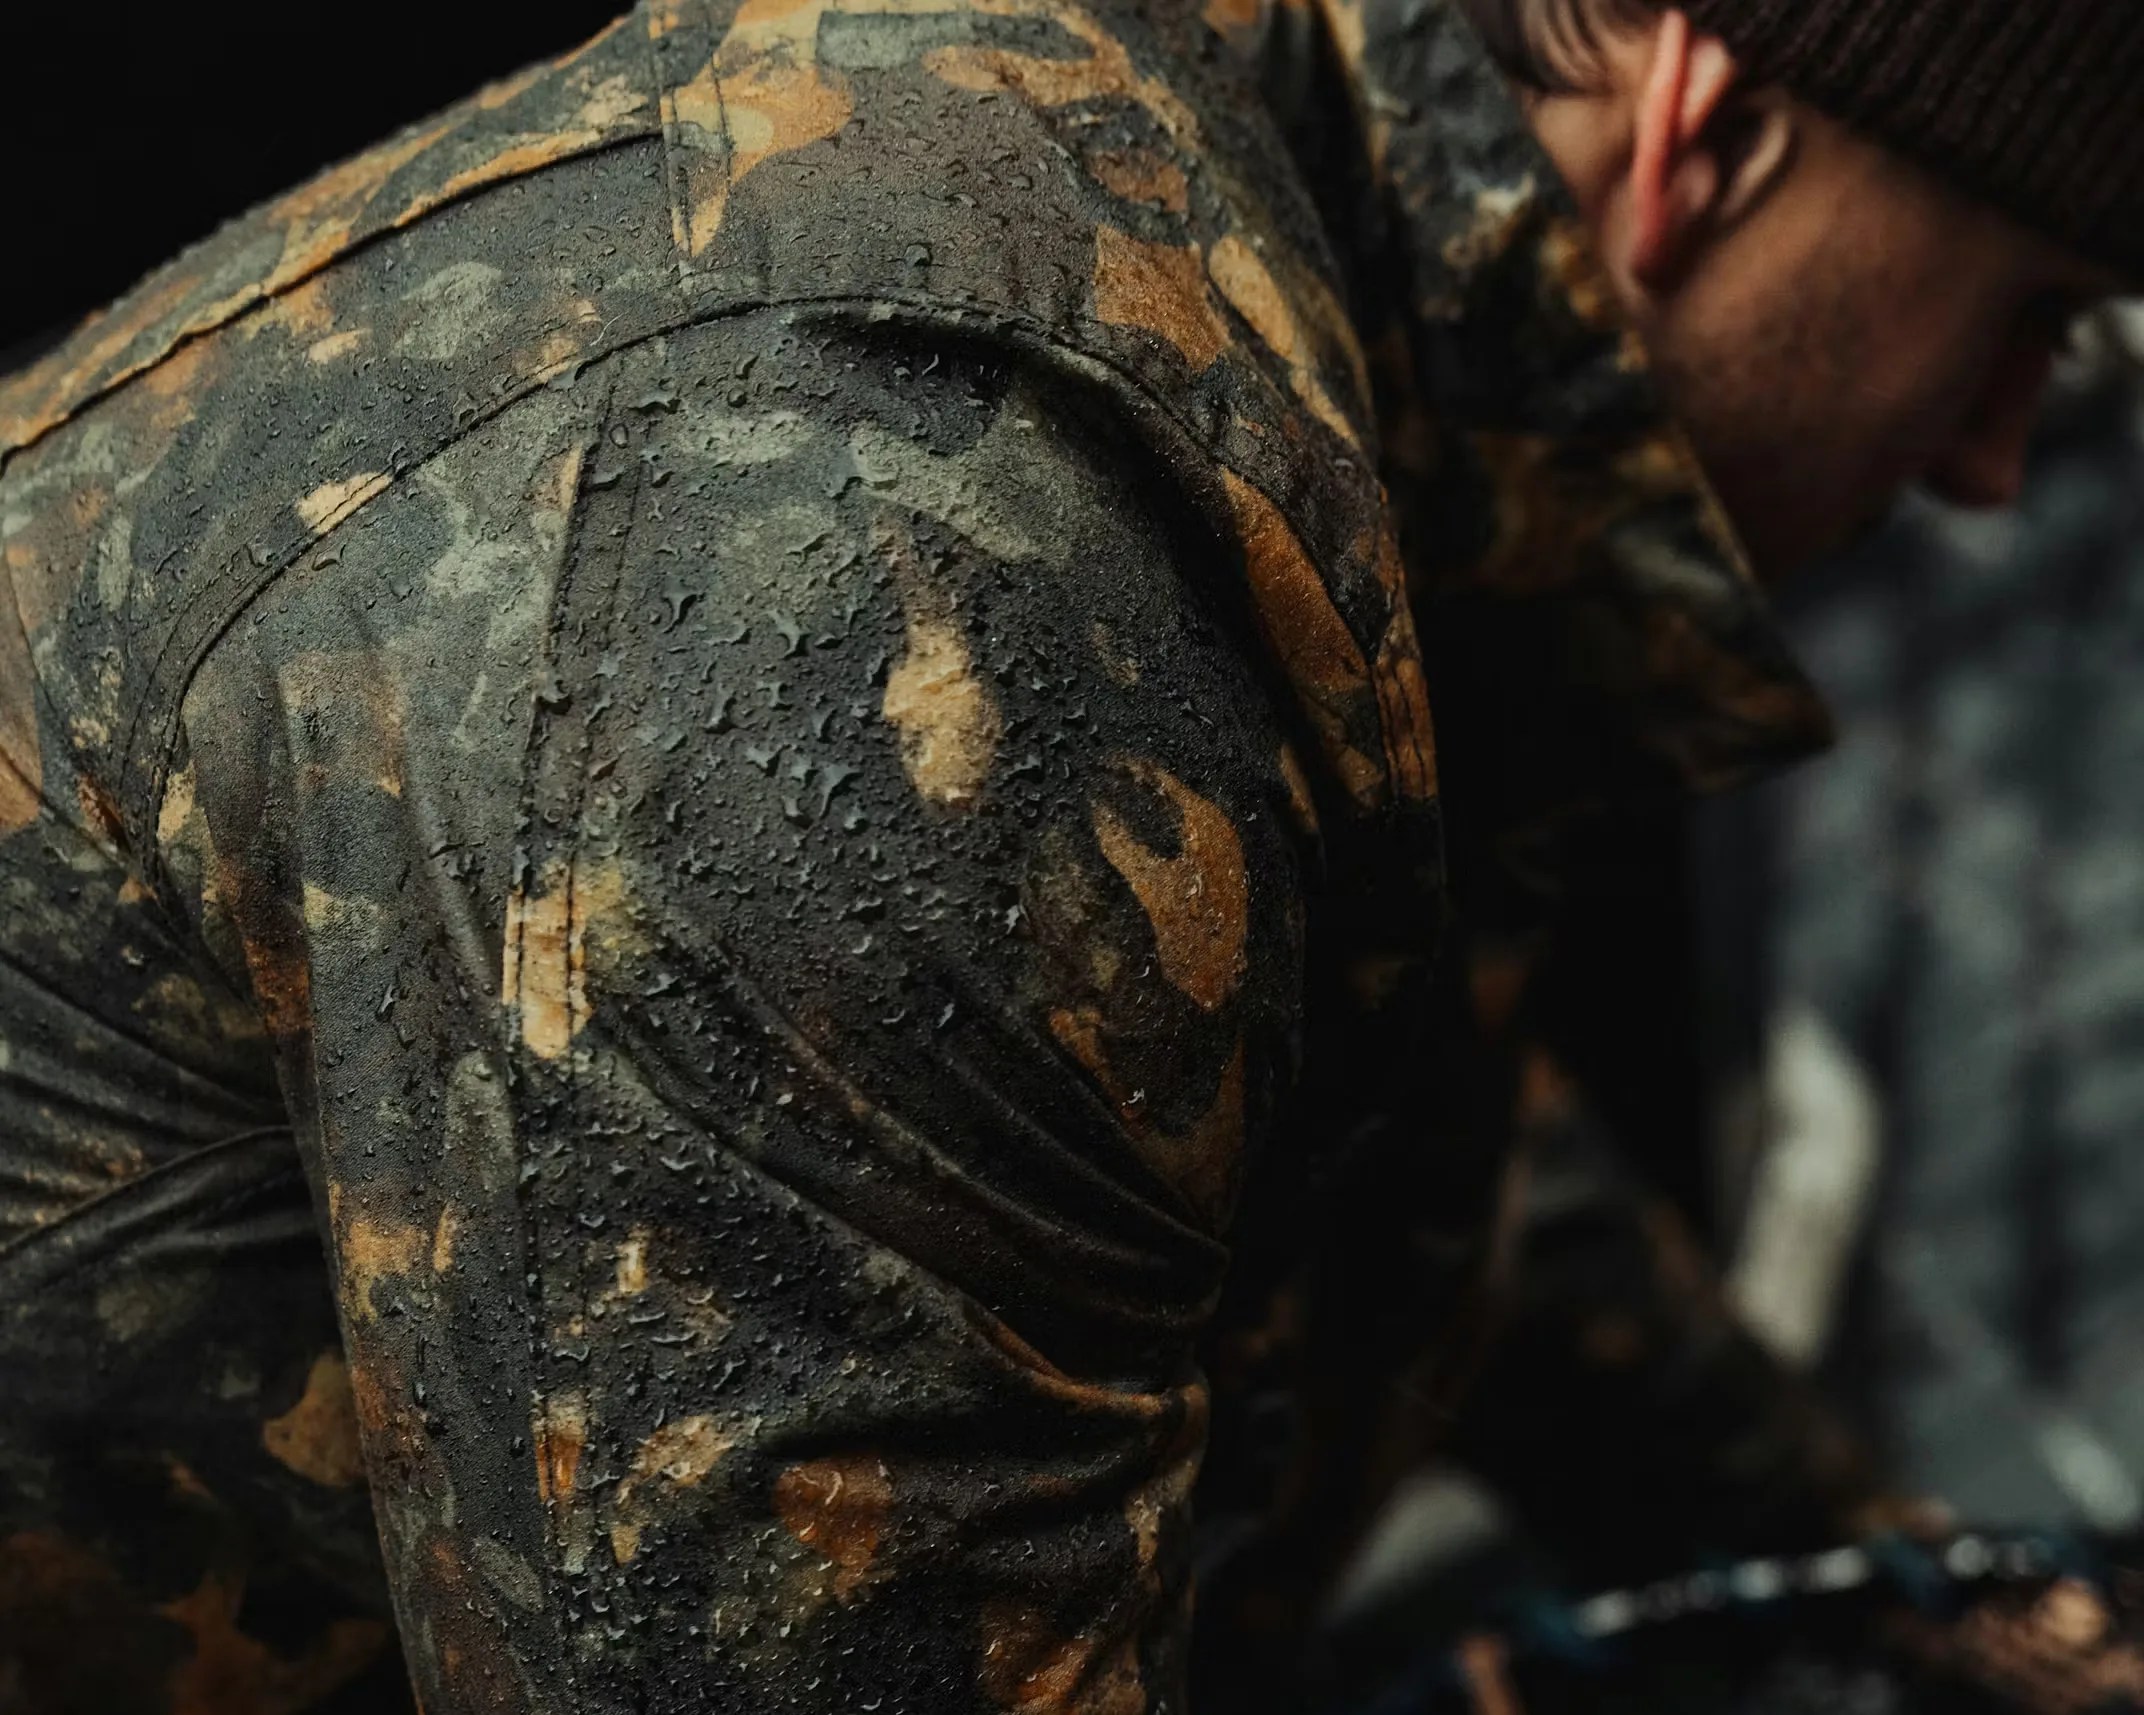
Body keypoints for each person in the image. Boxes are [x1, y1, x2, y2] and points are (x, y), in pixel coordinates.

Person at [0, 0, 2131, 1710]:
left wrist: (1934, 1606)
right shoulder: (908, 542)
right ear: (1708, 128)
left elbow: (1377, 1112)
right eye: (2028, 314)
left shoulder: (1289, 282)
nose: (1990, 456)